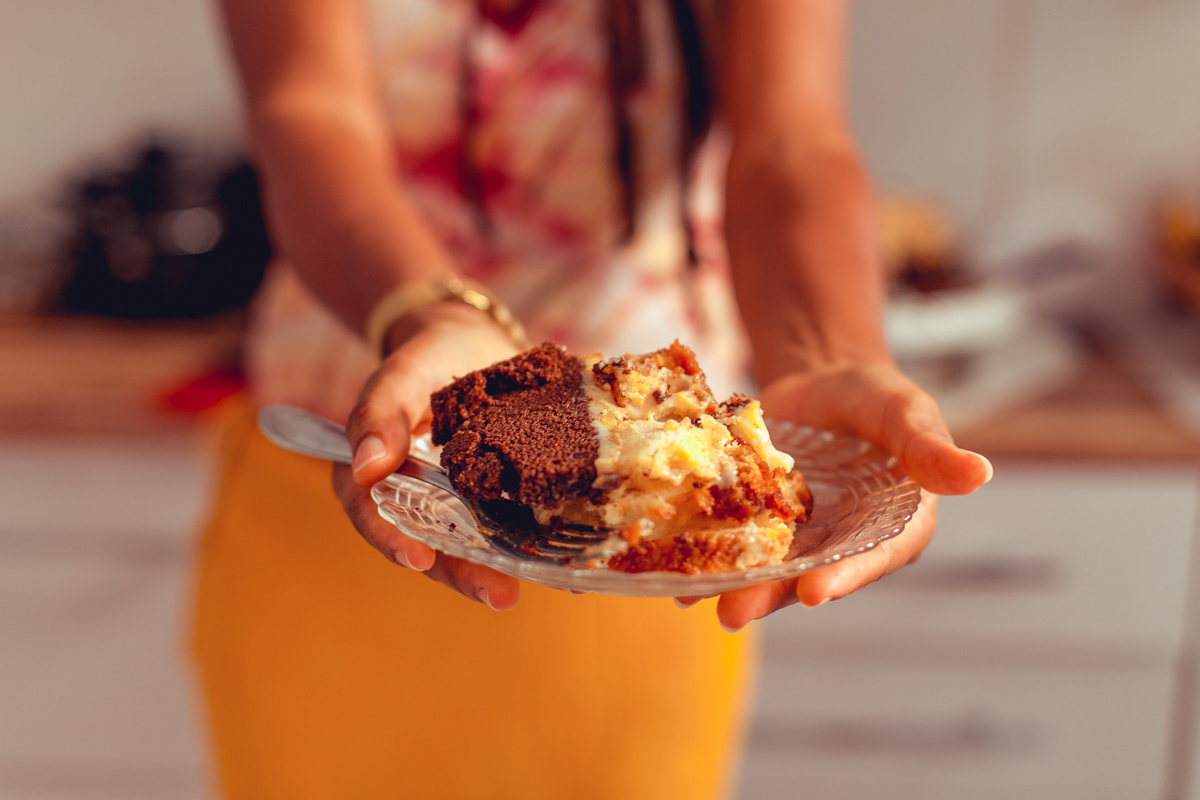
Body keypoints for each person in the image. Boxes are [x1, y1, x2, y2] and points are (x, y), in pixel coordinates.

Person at [193, 1, 992, 798]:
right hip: (362, 467)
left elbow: (792, 139)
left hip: (650, 556)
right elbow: (307, 111)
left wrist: (833, 355)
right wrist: (431, 313)